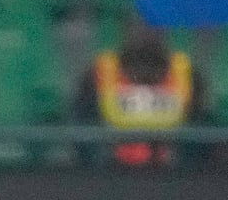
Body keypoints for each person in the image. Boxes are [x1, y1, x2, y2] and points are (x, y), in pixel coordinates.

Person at [73, 20, 207, 167]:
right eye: (139, 25)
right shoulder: (100, 71)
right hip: (111, 168)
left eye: (152, 26)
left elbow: (199, 122)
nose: (145, 32)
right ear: (125, 30)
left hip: (173, 170)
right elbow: (83, 118)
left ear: (164, 32)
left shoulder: (186, 73)